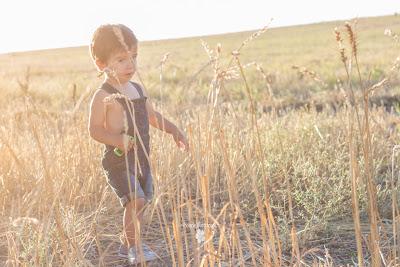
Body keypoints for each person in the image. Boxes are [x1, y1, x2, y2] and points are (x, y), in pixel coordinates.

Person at [88, 24, 189, 264]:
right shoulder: (102, 95)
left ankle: (127, 243)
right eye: (121, 59)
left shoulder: (137, 89)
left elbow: (152, 117)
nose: (130, 65)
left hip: (142, 159)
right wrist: (117, 140)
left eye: (134, 57)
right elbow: (94, 129)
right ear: (101, 64)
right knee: (136, 200)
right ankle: (134, 248)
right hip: (118, 161)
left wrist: (174, 130)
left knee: (142, 204)